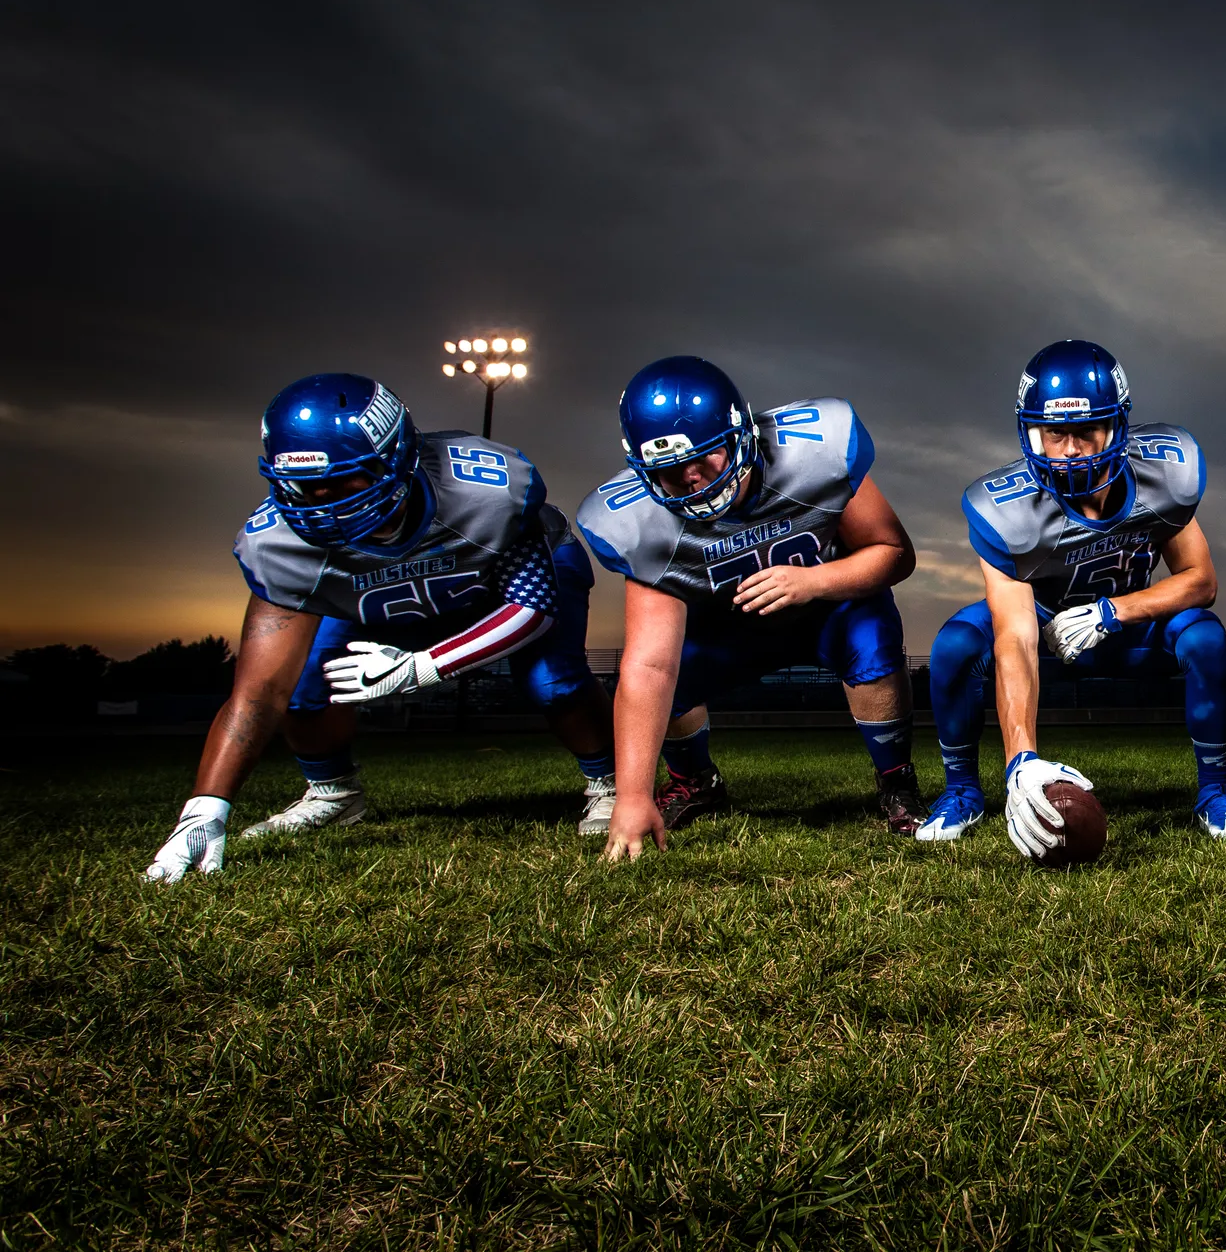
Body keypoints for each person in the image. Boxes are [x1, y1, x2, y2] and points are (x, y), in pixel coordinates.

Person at [145, 374, 616, 882]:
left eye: (347, 480)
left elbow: (533, 609)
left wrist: (422, 668)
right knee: (305, 682)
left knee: (553, 678)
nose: (325, 501)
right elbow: (259, 693)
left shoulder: (487, 491)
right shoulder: (277, 546)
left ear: (398, 457)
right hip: (377, 605)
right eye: (306, 485)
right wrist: (205, 809)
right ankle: (333, 792)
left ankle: (608, 783)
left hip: (496, 586)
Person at [576, 355, 920, 860]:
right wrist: (630, 796)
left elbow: (894, 553)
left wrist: (814, 580)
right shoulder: (636, 523)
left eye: (706, 456)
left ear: (741, 435)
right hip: (726, 628)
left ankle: (896, 779)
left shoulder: (816, 451)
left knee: (871, 636)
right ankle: (694, 780)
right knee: (663, 675)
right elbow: (650, 665)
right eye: (669, 470)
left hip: (824, 608)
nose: (693, 478)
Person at [921, 339, 1226, 859]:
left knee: (1207, 637)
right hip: (1044, 625)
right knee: (956, 644)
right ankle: (964, 790)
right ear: (1032, 432)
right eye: (1056, 433)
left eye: (1086, 431)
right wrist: (1022, 759)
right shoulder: (1006, 510)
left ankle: (1215, 791)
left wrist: (1115, 611)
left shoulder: (1160, 476)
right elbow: (1014, 633)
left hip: (1127, 624)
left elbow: (1200, 580)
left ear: (1116, 427)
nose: (1072, 450)